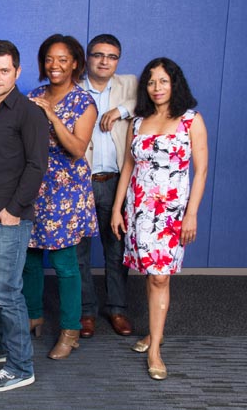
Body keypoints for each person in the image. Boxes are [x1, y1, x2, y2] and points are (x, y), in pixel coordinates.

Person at [111, 57, 208, 380]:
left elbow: (201, 170)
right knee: (150, 275)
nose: (157, 88)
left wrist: (191, 213)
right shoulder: (138, 121)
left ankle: (155, 348)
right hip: (139, 210)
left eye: (163, 81)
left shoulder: (191, 120)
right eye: (151, 82)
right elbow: (128, 166)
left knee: (160, 277)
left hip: (171, 213)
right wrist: (117, 209)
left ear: (175, 83)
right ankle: (155, 331)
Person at [0, 40, 48, 392]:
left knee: (8, 293)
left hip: (9, 218)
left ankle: (21, 366)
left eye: (4, 70)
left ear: (17, 71)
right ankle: (1, 345)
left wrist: (14, 210)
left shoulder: (29, 112)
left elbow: (37, 165)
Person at [22, 34, 98, 360]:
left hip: (67, 191)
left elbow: (78, 149)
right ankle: (33, 315)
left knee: (66, 264)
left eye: (63, 59)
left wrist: (52, 115)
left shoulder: (84, 102)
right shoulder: (33, 95)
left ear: (75, 64)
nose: (55, 66)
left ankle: (70, 329)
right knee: (29, 258)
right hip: (34, 187)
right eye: (50, 59)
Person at [76, 34, 138, 338]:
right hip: (80, 183)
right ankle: (86, 311)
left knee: (116, 249)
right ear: (87, 57)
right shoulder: (73, 87)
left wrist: (121, 111)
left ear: (118, 60)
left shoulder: (130, 85)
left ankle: (117, 309)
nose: (104, 61)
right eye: (98, 55)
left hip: (116, 183)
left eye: (111, 56)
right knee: (79, 253)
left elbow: (153, 98)